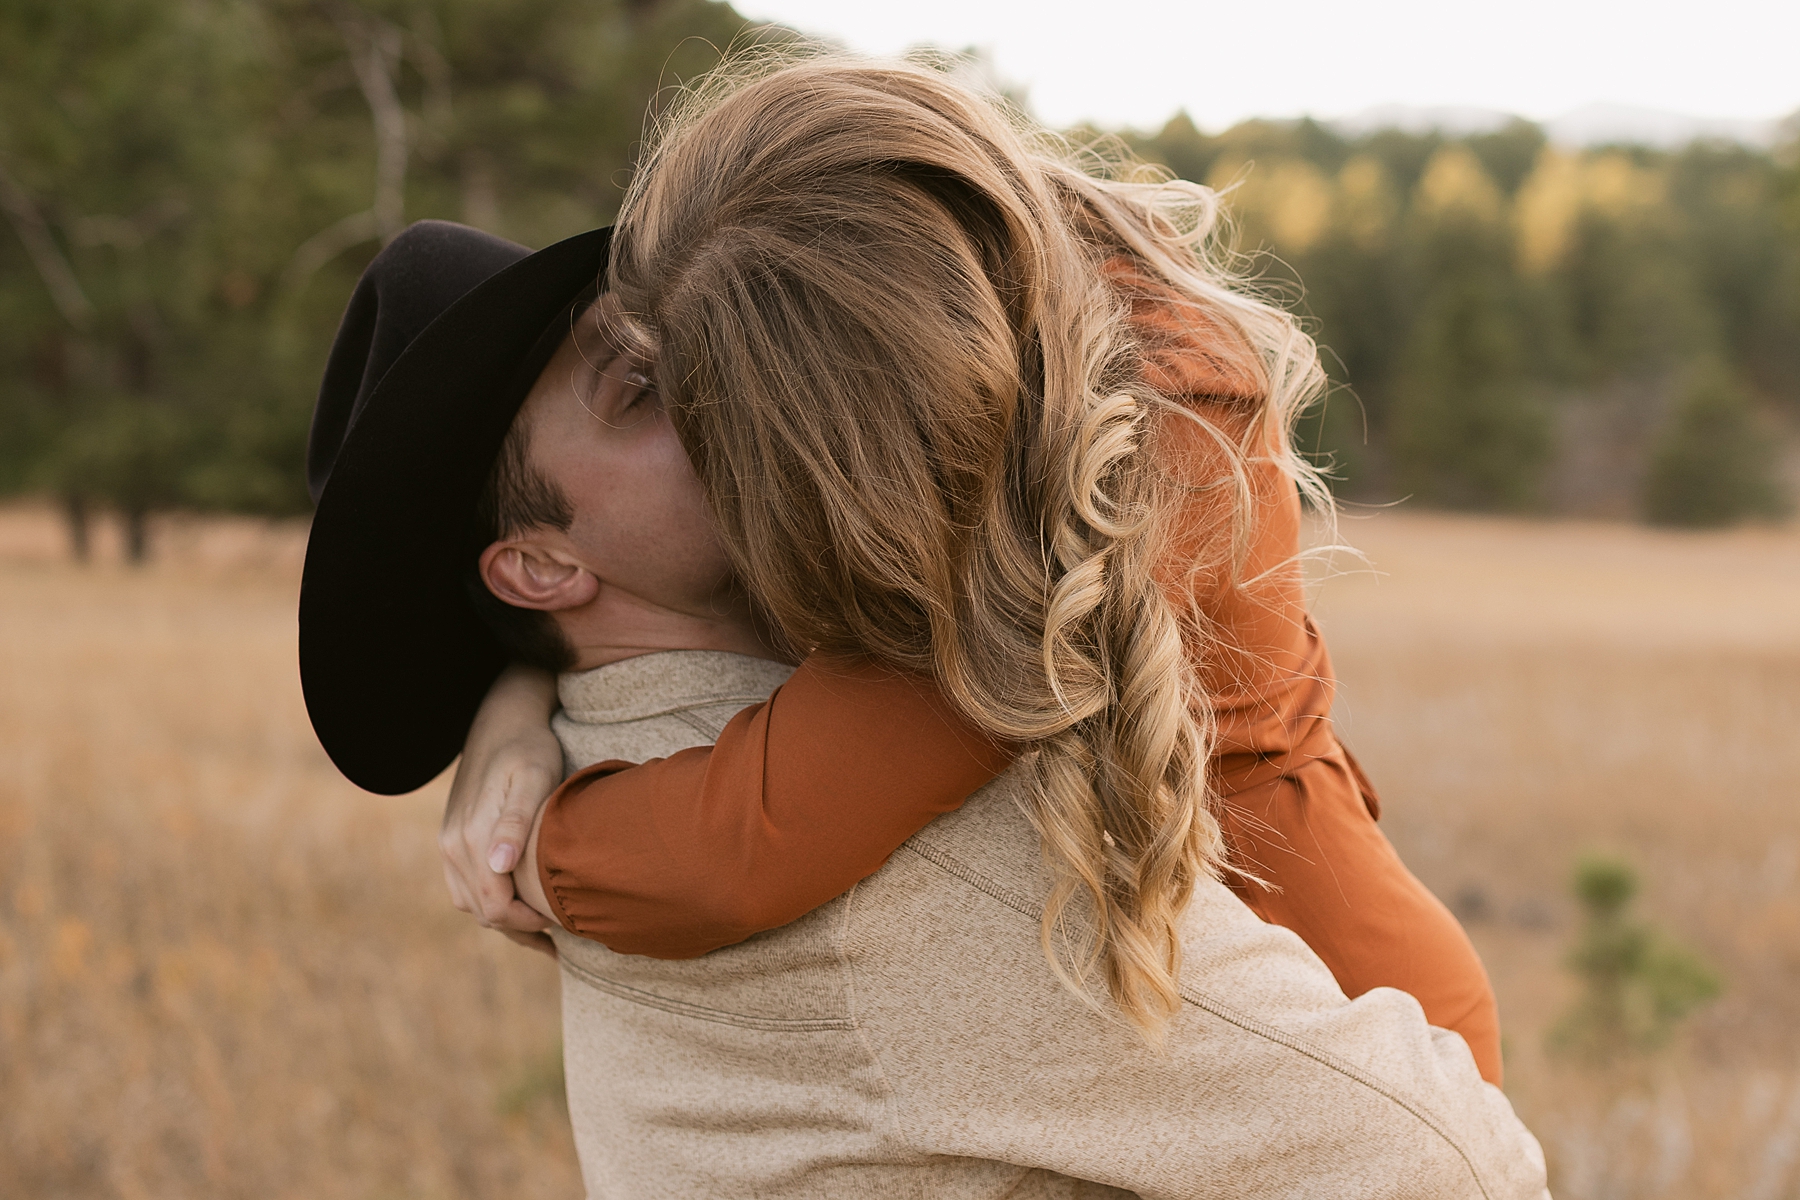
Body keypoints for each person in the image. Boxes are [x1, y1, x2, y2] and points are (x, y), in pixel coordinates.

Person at [300, 54, 1546, 1197]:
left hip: (1338, 947)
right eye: (643, 386)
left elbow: (747, 836)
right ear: (539, 568)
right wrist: (506, 718)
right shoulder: (953, 537)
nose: (727, 392)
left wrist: (548, 850)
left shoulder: (1046, 533)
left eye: (731, 353)